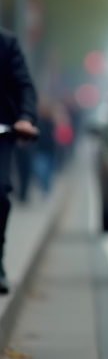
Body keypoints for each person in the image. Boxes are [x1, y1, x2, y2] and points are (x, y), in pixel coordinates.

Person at [0, 27, 38, 294]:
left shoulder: (6, 43)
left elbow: (24, 86)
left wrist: (24, 117)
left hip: (1, 133)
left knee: (0, 192)